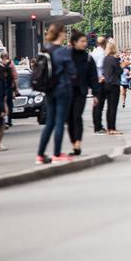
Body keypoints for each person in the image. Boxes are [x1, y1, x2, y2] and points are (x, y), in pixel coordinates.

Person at [36, 23, 76, 165]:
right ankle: (57, 153)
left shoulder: (45, 50)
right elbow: (72, 72)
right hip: (62, 88)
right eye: (64, 32)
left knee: (50, 122)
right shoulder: (63, 51)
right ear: (60, 34)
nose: (65, 35)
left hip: (49, 90)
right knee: (60, 122)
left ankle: (40, 154)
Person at [103, 40, 124, 134]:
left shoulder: (105, 59)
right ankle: (112, 128)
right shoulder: (114, 59)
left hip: (106, 84)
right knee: (113, 107)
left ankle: (109, 128)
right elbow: (119, 72)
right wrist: (123, 66)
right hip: (114, 84)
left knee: (109, 107)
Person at [91, 35, 108, 132]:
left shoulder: (94, 52)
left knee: (96, 104)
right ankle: (98, 126)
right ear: (104, 43)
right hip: (100, 80)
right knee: (99, 105)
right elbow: (100, 65)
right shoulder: (102, 53)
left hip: (94, 80)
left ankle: (96, 125)